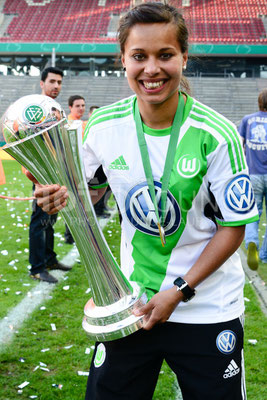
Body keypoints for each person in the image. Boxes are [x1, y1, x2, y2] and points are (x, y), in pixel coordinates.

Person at [32, 3, 258, 399]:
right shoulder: (102, 126)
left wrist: (180, 290)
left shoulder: (217, 134)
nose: (151, 69)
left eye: (165, 55)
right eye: (139, 56)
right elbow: (88, 191)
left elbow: (233, 228)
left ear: (184, 57)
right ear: (123, 59)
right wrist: (57, 196)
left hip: (206, 307)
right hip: (131, 304)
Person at [29, 66, 71, 284]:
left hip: (56, 172)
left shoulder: (55, 108)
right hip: (40, 174)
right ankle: (37, 267)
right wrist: (34, 176)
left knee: (51, 219)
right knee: (39, 221)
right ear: (42, 83)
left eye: (59, 82)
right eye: (52, 81)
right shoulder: (34, 109)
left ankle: (49, 258)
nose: (56, 86)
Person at [238, 88, 267, 270]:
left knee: (253, 214)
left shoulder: (247, 120)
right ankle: (264, 256)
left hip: (253, 174)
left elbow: (239, 146)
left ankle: (251, 242)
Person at [64, 95, 87, 244]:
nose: (81, 108)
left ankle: (78, 232)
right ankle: (70, 234)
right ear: (70, 107)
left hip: (84, 168)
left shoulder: (85, 123)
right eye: (77, 105)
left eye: (83, 105)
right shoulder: (67, 124)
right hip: (72, 168)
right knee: (72, 202)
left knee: (82, 202)